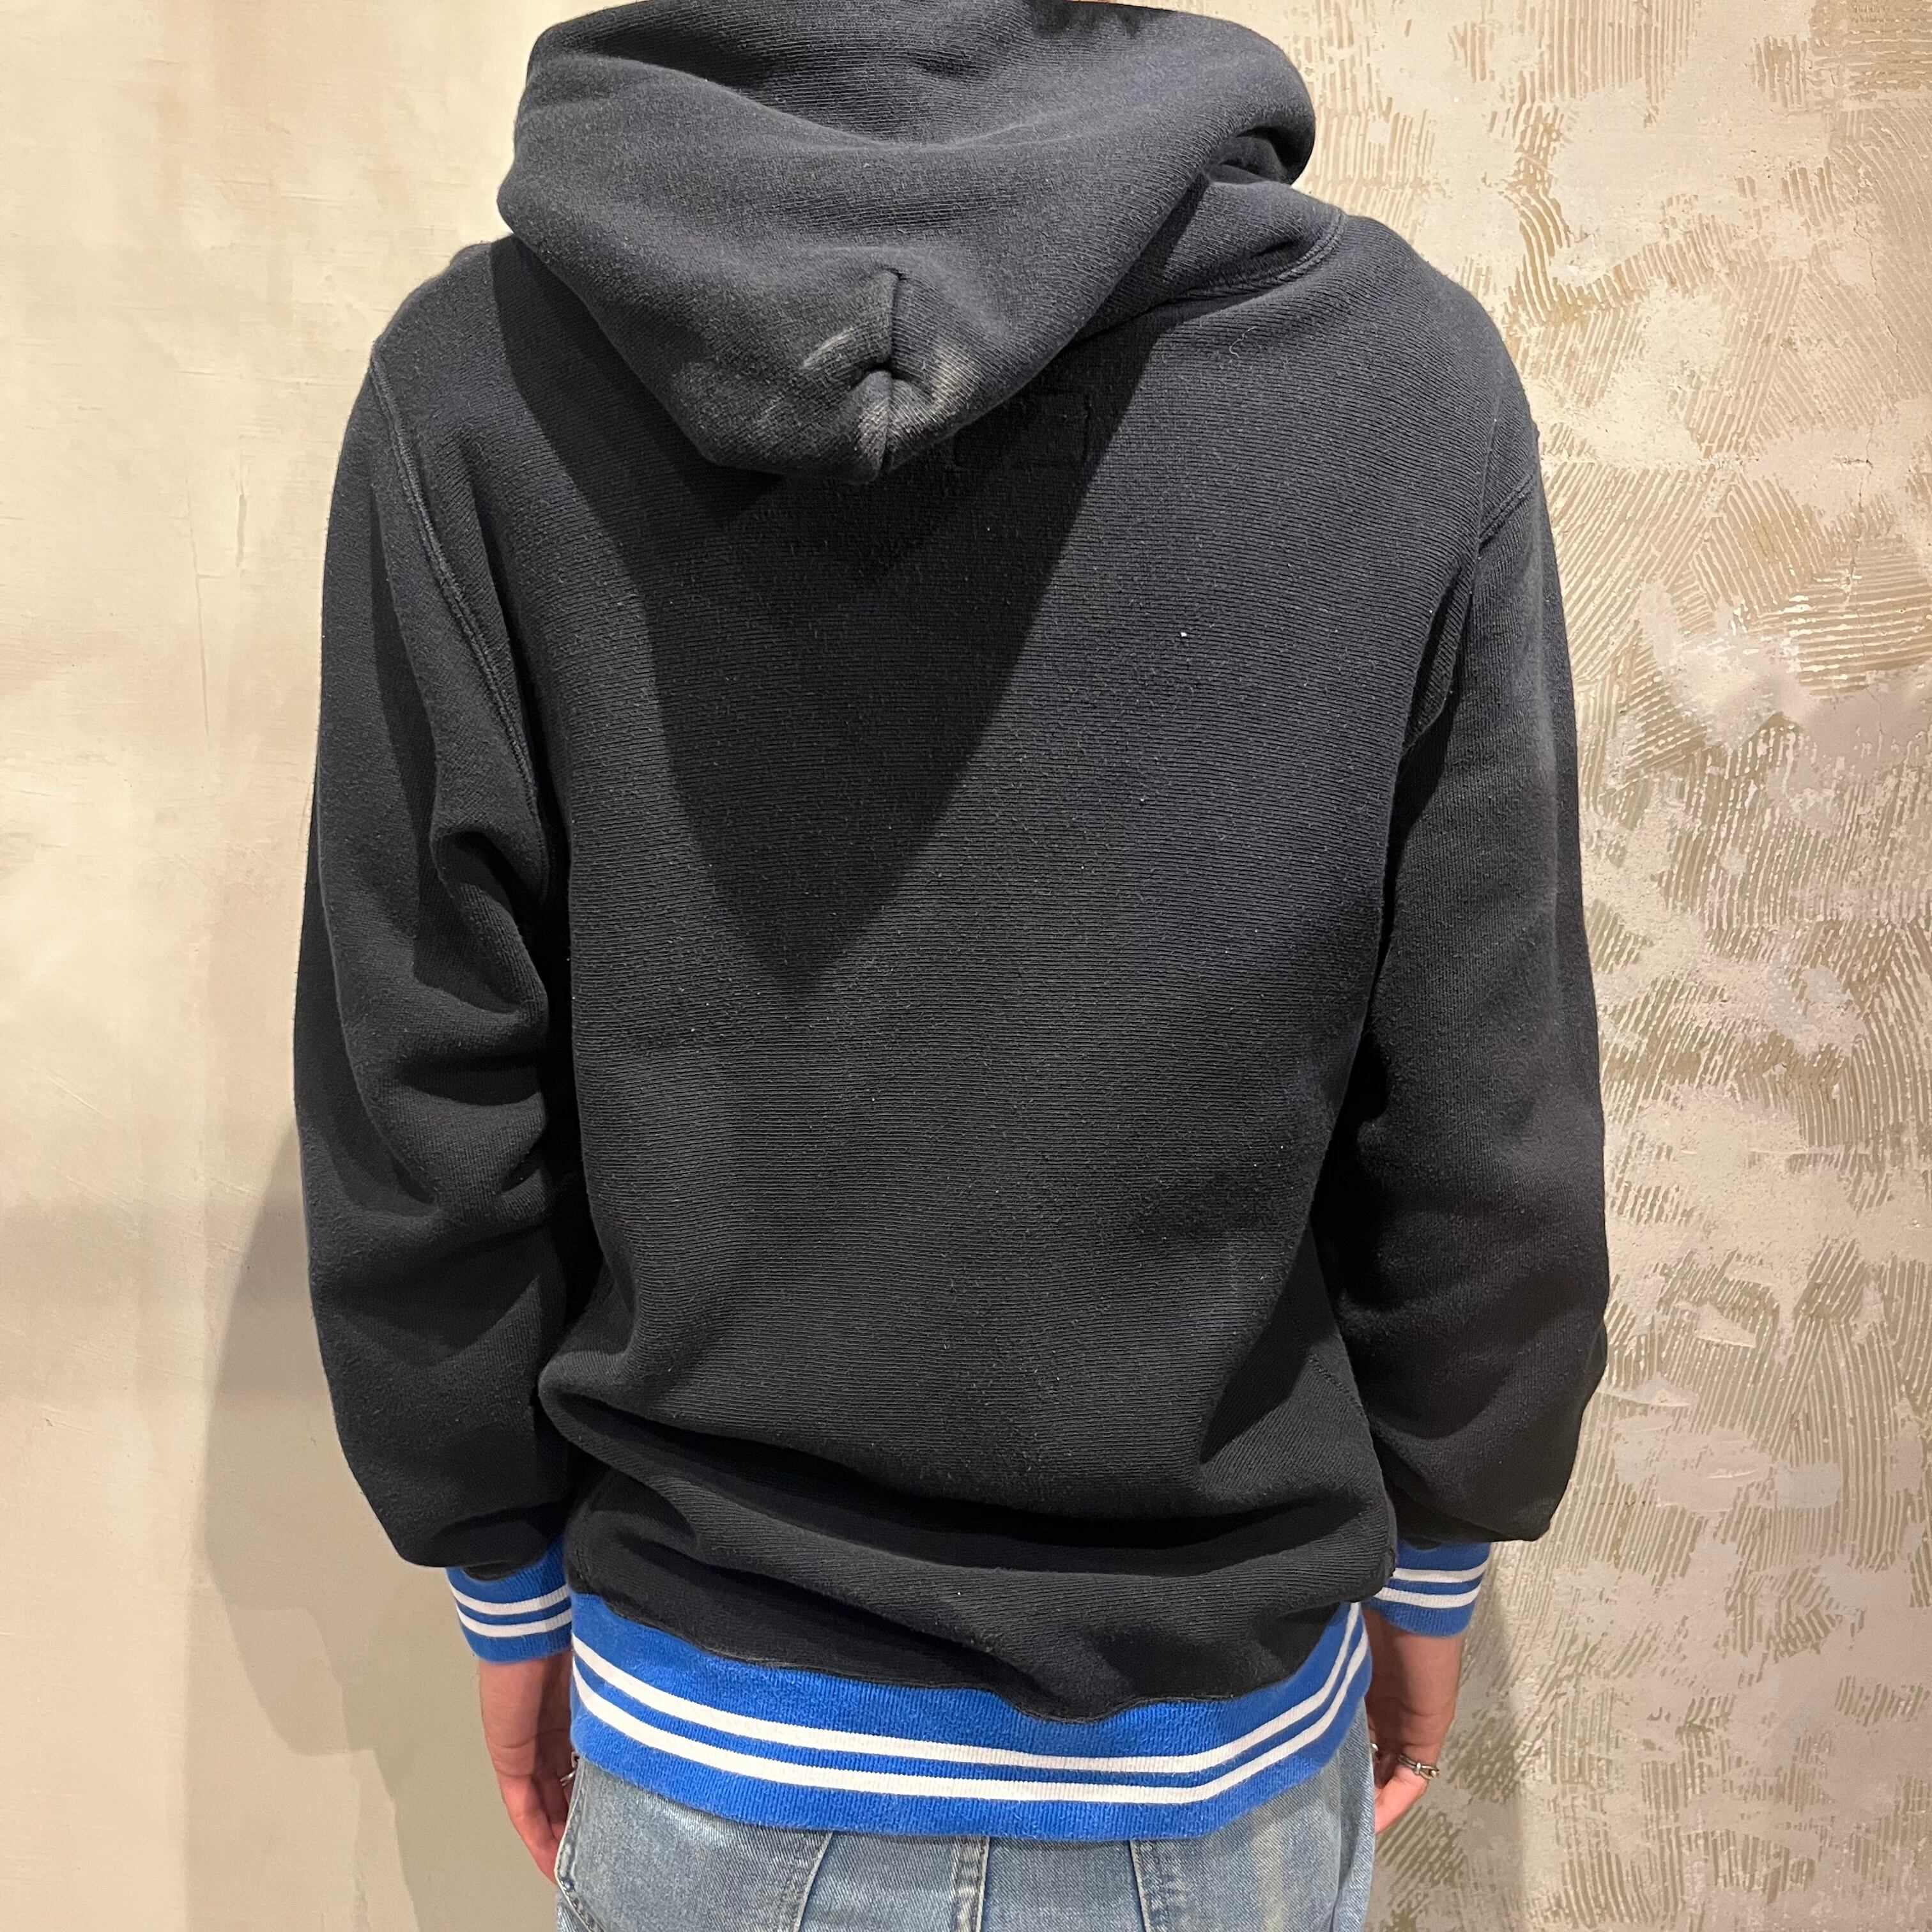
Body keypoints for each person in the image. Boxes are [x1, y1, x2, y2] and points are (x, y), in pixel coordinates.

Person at [291, 0, 1611, 1926]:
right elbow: (1490, 1100)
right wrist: (1438, 1553)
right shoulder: (1408, 383)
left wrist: (500, 1573)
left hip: (716, 1732)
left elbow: (423, 1082)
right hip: (1211, 1751)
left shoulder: (475, 387)